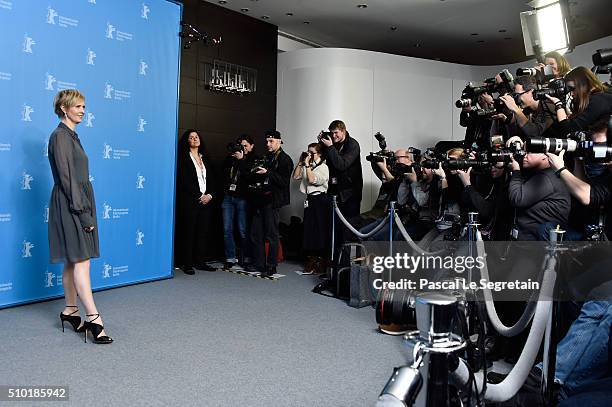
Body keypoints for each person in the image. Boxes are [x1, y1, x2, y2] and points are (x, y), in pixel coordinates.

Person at [48, 89, 112, 344]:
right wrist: (83, 213)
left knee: (72, 262)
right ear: (64, 108)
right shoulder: (60, 137)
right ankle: (94, 319)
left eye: (84, 107)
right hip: (71, 203)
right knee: (81, 261)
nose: (83, 111)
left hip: (75, 200)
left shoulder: (71, 135)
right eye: (78, 106)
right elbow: (67, 180)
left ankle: (70, 311)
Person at [248, 130, 293, 277]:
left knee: (271, 234)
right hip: (260, 198)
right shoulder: (266, 157)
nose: (268, 144)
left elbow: (284, 182)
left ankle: (271, 265)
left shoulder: (285, 159)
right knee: (256, 233)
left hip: (273, 201)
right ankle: (259, 264)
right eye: (267, 141)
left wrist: (267, 172)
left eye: (271, 141)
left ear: (280, 141)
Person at [319, 120, 363, 264]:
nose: (334, 136)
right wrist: (322, 143)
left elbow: (342, 164)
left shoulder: (353, 145)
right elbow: (324, 158)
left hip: (350, 195)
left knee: (348, 232)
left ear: (343, 131)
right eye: (331, 133)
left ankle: (346, 267)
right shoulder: (333, 144)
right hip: (335, 193)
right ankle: (334, 267)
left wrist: (331, 147)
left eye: (336, 133)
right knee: (334, 231)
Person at [174, 129, 217, 275]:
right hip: (190, 201)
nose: (194, 139)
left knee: (202, 232)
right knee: (189, 233)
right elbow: (184, 181)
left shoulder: (204, 157)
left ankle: (200, 261)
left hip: (206, 201)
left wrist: (210, 195)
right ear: (187, 141)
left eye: (196, 137)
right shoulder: (183, 158)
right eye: (191, 137)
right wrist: (199, 195)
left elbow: (211, 179)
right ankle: (187, 264)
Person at [292, 142, 330, 274]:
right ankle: (312, 258)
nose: (309, 155)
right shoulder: (307, 164)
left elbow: (313, 179)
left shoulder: (323, 167)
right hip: (310, 200)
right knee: (309, 229)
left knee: (319, 230)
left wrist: (307, 165)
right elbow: (296, 176)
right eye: (308, 152)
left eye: (312, 153)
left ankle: (321, 260)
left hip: (320, 200)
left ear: (319, 154)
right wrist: (301, 162)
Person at [547, 66, 612, 135]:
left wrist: (558, 105)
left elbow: (568, 129)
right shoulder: (598, 98)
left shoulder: (599, 100)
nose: (571, 94)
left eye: (572, 88)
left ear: (583, 84)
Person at [221, 135, 252, 269]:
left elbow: (249, 177)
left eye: (245, 146)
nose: (241, 148)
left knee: (242, 229)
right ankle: (230, 257)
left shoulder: (251, 160)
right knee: (227, 229)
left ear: (250, 147)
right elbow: (223, 174)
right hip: (228, 196)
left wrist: (241, 160)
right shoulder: (230, 160)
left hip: (242, 198)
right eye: (240, 146)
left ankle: (246, 258)